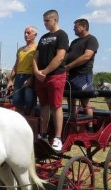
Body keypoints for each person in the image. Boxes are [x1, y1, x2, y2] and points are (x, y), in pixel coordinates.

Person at [33, 9, 69, 151]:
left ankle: (58, 138)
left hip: (56, 76)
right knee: (44, 106)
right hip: (41, 77)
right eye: (44, 21)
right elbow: (36, 56)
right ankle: (43, 134)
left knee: (56, 106)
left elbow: (60, 57)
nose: (45, 24)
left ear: (55, 20)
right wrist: (36, 71)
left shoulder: (62, 35)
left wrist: (45, 71)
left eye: (47, 21)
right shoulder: (43, 37)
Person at [65, 18, 99, 132]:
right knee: (71, 100)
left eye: (76, 27)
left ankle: (90, 128)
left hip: (83, 76)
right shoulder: (74, 42)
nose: (73, 29)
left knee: (85, 103)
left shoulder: (92, 39)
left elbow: (86, 56)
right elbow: (67, 55)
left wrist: (69, 66)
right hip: (71, 76)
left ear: (84, 27)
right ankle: (72, 125)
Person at [7, 26, 38, 116]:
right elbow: (16, 65)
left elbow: (38, 66)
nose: (25, 35)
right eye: (25, 33)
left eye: (28, 33)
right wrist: (10, 79)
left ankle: (30, 125)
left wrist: (31, 78)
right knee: (17, 103)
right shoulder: (20, 49)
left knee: (29, 104)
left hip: (29, 77)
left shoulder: (37, 48)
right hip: (18, 78)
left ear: (35, 35)